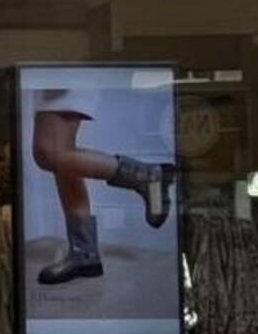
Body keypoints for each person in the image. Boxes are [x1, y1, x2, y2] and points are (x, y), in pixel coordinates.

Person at [30, 88, 174, 285]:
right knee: (62, 157)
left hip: (61, 73)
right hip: (55, 76)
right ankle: (84, 253)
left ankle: (147, 176)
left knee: (49, 152)